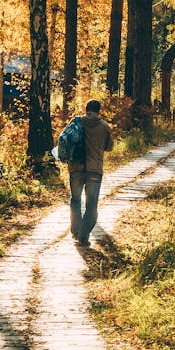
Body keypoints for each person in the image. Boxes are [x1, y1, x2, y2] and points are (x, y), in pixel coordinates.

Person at [68, 98, 113, 247]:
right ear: (99, 111)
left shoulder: (75, 122)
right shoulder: (103, 126)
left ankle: (75, 231)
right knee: (91, 204)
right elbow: (109, 147)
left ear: (86, 109)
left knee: (75, 200)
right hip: (94, 170)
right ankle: (84, 235)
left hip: (76, 168)